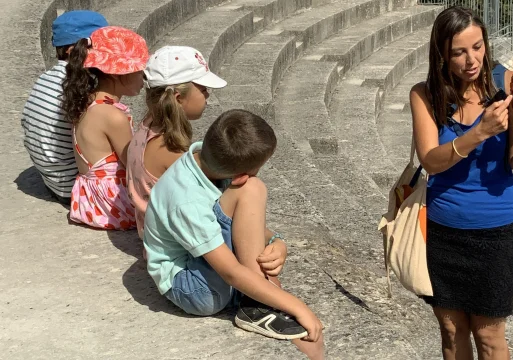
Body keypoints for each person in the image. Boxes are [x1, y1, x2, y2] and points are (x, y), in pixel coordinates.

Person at [408, 6, 513, 360]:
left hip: (498, 234)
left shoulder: (508, 85)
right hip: (443, 232)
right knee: (451, 331)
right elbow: (431, 161)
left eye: (477, 47)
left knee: (490, 339)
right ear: (442, 53)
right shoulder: (426, 94)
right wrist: (479, 133)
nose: (471, 60)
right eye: (459, 52)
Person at [144, 109, 324, 359]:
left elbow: (241, 223)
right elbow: (229, 271)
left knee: (251, 190)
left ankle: (260, 297)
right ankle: (258, 305)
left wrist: (276, 241)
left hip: (203, 265)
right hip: (192, 289)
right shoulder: (186, 200)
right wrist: (296, 305)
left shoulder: (206, 161)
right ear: (239, 176)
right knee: (253, 189)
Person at [127, 45, 227, 242]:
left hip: (156, 233)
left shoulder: (147, 127)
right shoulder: (169, 149)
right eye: (204, 89)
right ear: (178, 98)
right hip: (174, 243)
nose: (208, 96)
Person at [61, 26, 149, 230]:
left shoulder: (86, 101)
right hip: (113, 205)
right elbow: (135, 165)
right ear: (119, 73)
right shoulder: (113, 116)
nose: (143, 78)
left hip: (88, 200)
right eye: (139, 71)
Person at [21, 10, 108, 205]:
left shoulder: (47, 77)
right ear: (75, 50)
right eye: (101, 46)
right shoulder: (80, 85)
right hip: (73, 187)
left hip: (52, 181)